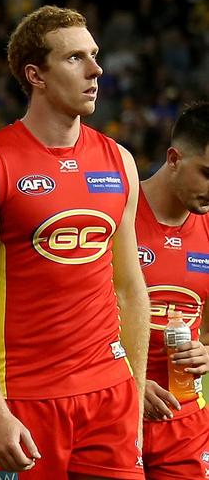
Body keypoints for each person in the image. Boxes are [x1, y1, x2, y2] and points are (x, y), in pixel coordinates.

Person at [0, 5, 151, 479]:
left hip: (110, 398)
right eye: (76, 58)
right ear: (35, 75)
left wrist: (135, 393)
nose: (97, 70)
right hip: (25, 400)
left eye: (95, 56)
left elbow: (129, 288)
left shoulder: (118, 161)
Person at [137, 102, 209, 479]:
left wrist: (208, 352)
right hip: (115, 410)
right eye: (207, 173)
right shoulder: (116, 212)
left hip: (186, 421)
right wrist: (129, 379)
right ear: (174, 158)